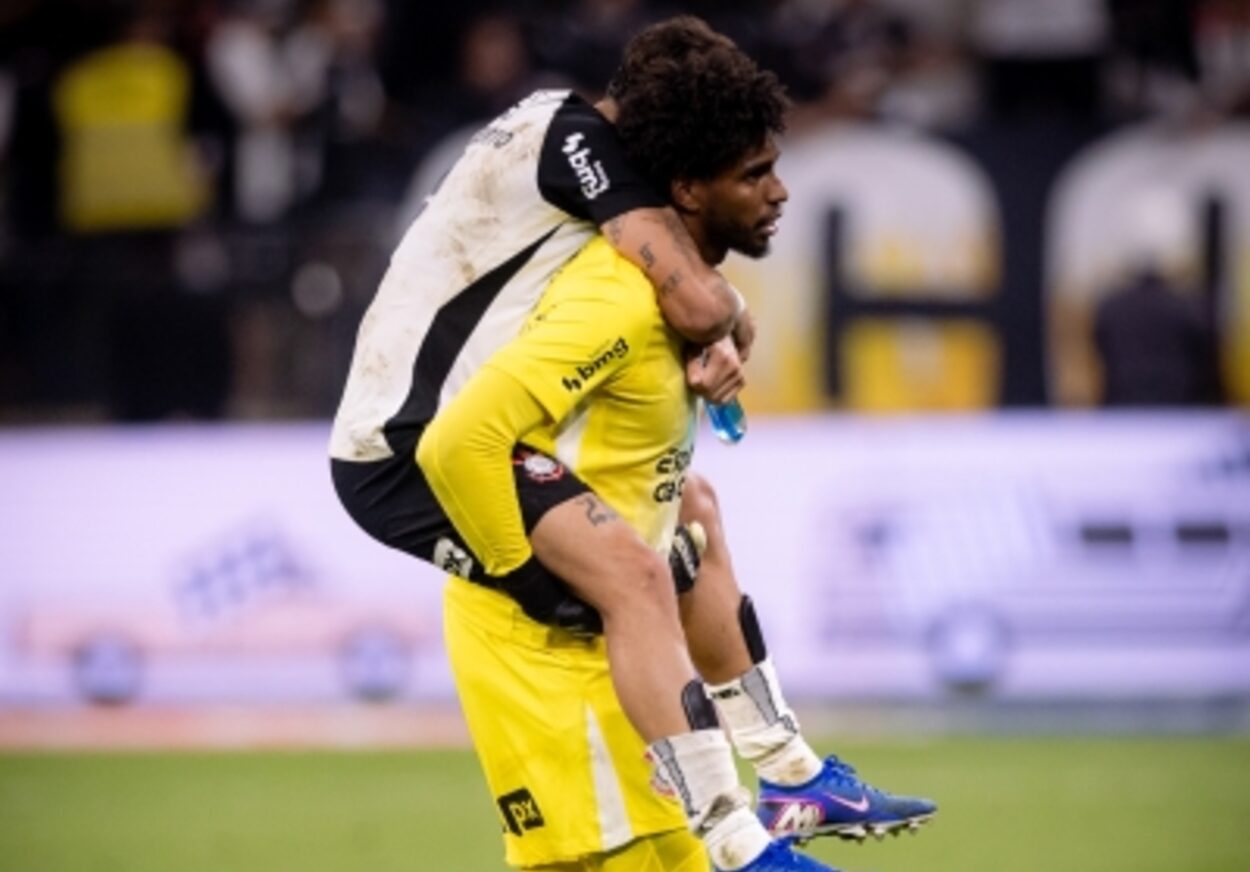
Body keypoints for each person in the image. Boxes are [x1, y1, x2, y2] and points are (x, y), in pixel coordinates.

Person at [330, 15, 932, 870]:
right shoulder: (579, 154)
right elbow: (695, 299)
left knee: (690, 509)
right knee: (635, 576)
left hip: (457, 434)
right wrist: (529, 578)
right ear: (681, 173)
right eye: (754, 169)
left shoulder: (589, 207)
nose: (779, 190)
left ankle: (789, 774)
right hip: (401, 448)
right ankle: (736, 836)